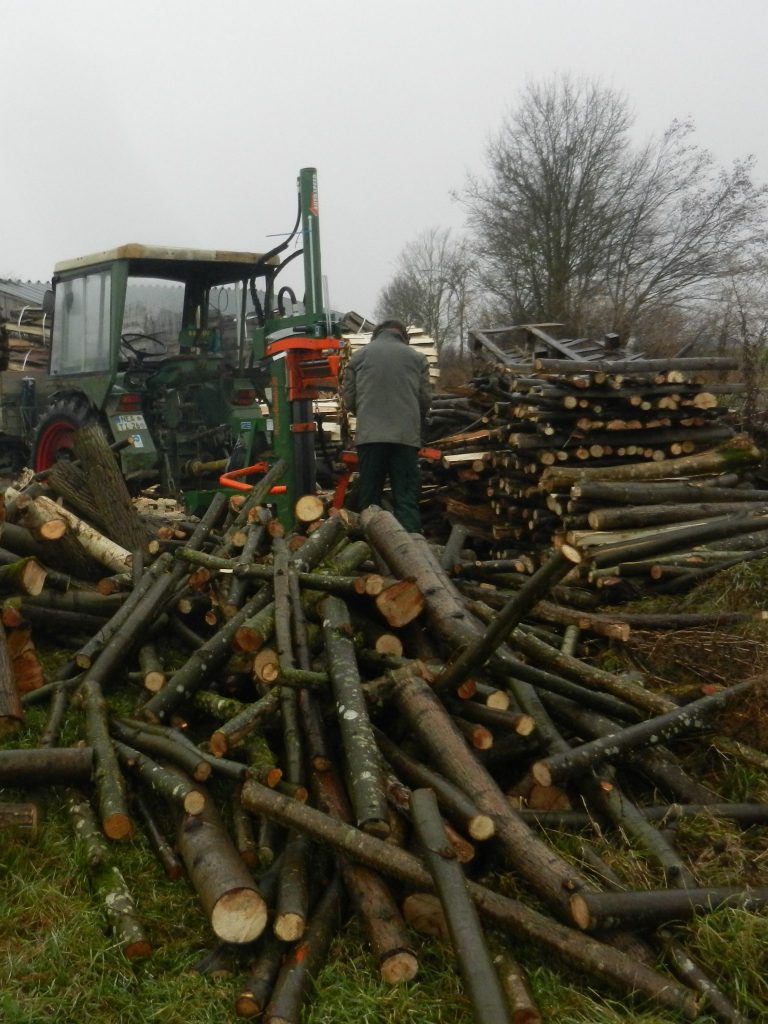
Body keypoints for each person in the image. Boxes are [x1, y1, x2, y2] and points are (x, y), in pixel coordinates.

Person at [341, 318, 432, 532]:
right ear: (404, 336)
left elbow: (349, 398)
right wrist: (411, 419)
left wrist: (366, 415)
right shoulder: (417, 358)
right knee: (406, 499)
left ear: (377, 334)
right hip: (405, 439)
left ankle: (369, 549)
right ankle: (412, 550)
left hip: (370, 438)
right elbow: (425, 399)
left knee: (370, 499)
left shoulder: (359, 357)